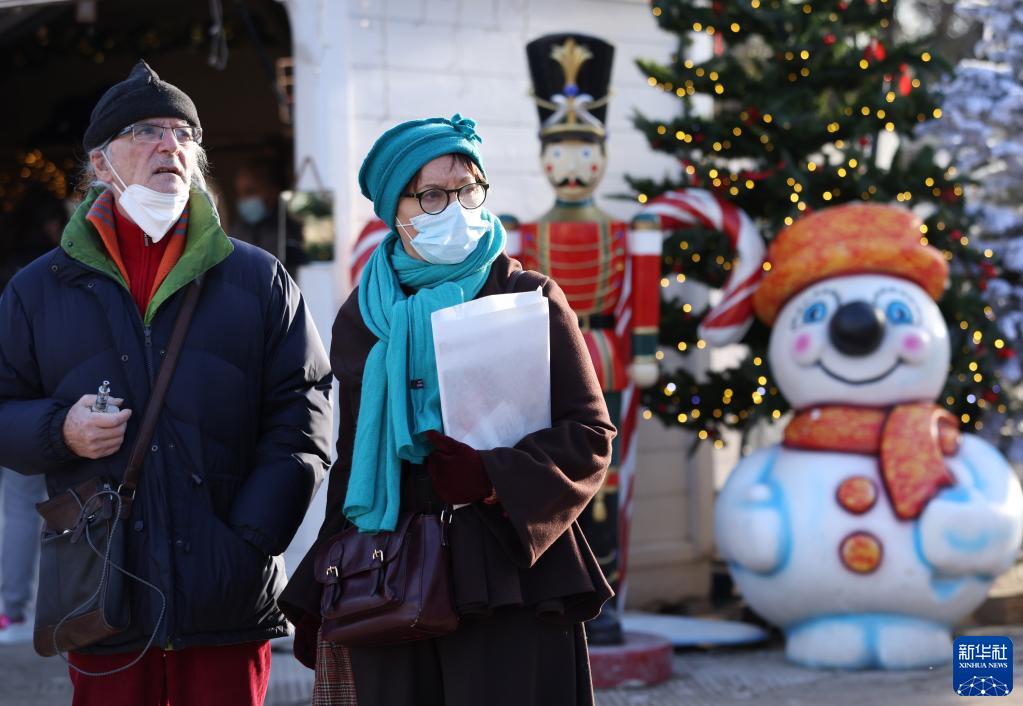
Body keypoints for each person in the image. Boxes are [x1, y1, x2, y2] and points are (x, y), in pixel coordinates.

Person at [0, 60, 333, 706]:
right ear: (101, 163)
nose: (169, 146)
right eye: (146, 131)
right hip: (104, 598)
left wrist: (251, 540)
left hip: (226, 600)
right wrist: (60, 430)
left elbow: (304, 413)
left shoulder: (258, 279)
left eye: (184, 134)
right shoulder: (38, 290)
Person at [280, 114, 616, 706]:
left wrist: (493, 476)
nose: (456, 209)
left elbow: (590, 435)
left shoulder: (527, 295)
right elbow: (355, 458)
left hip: (507, 573)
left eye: (468, 190)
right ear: (396, 209)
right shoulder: (361, 316)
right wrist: (318, 585)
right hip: (391, 575)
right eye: (432, 195)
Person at [231, 159, 307, 276]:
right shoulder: (236, 233)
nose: (243, 199)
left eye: (250, 191)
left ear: (272, 192)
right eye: (239, 193)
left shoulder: (290, 230)